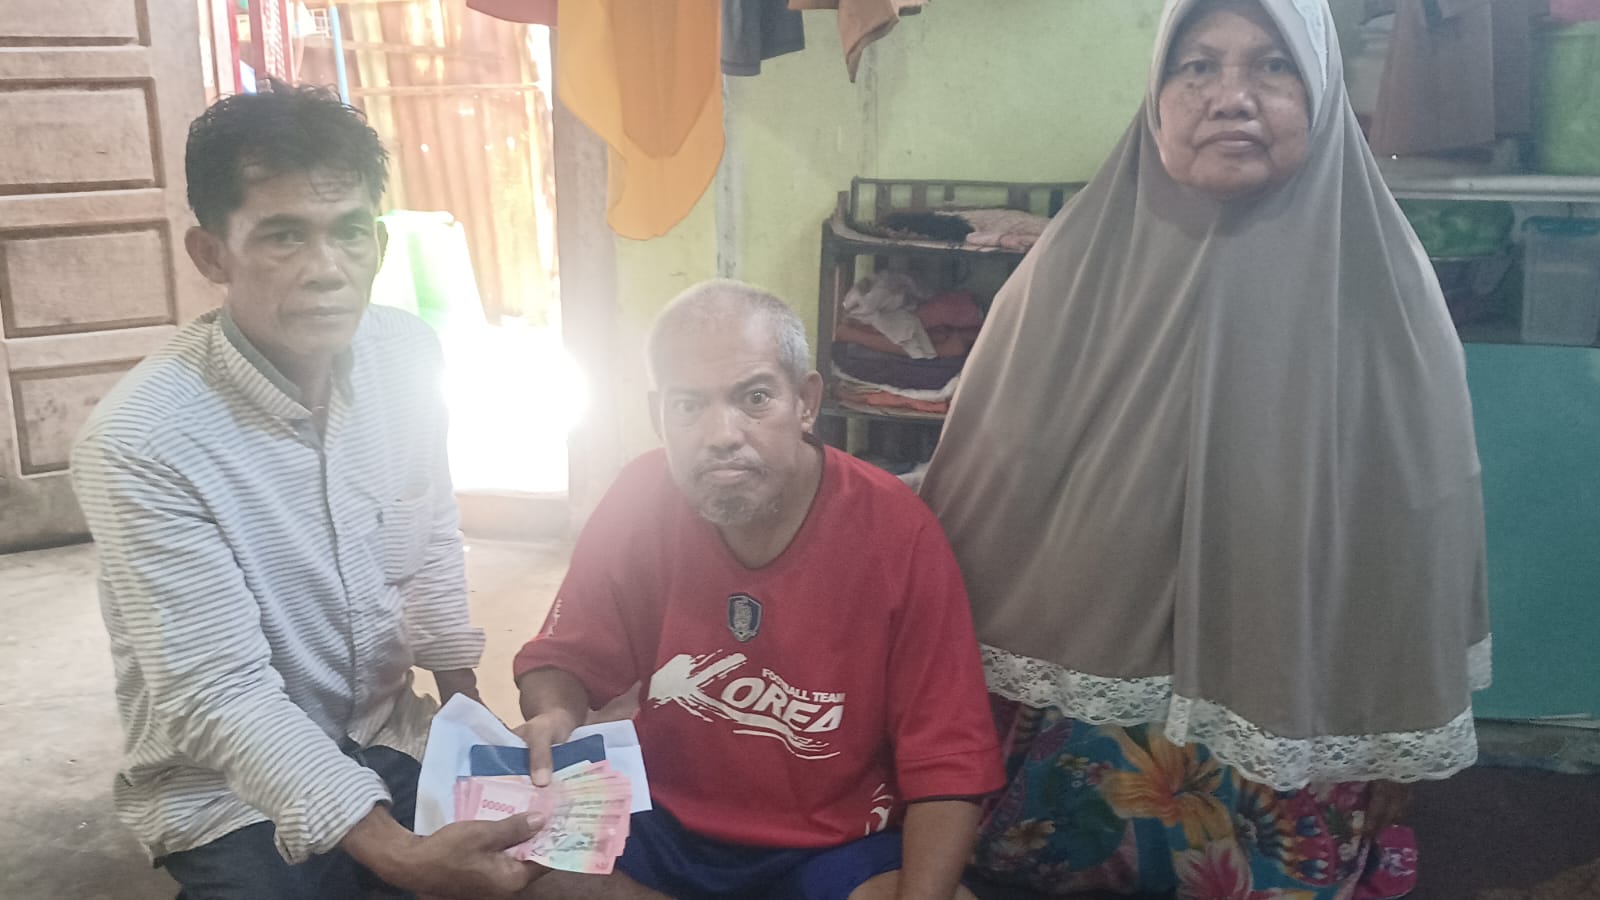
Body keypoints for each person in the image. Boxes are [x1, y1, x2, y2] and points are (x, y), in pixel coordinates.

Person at [918, 1, 1489, 897]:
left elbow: (1421, 534)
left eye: (1272, 65)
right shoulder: (1068, 271)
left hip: (1291, 730)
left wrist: (1398, 741)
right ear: (1157, 93)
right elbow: (977, 501)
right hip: (1070, 744)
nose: (1231, 96)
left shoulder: (1388, 295)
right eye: (1198, 66)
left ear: (1323, 90)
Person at [71, 83, 546, 900]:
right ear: (211, 255)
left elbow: (431, 536)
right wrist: (400, 856)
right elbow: (219, 695)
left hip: (386, 732)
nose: (327, 270)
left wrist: (469, 722)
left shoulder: (407, 354)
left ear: (379, 244)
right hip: (226, 790)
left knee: (557, 862)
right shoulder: (142, 441)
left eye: (349, 231)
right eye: (284, 235)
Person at [510, 280, 1004, 900]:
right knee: (500, 878)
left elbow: (949, 758)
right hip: (660, 819)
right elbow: (564, 656)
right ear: (657, 416)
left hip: (833, 843)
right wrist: (555, 712)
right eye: (689, 405)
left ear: (806, 402)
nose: (722, 433)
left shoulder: (897, 531)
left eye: (755, 398)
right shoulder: (638, 496)